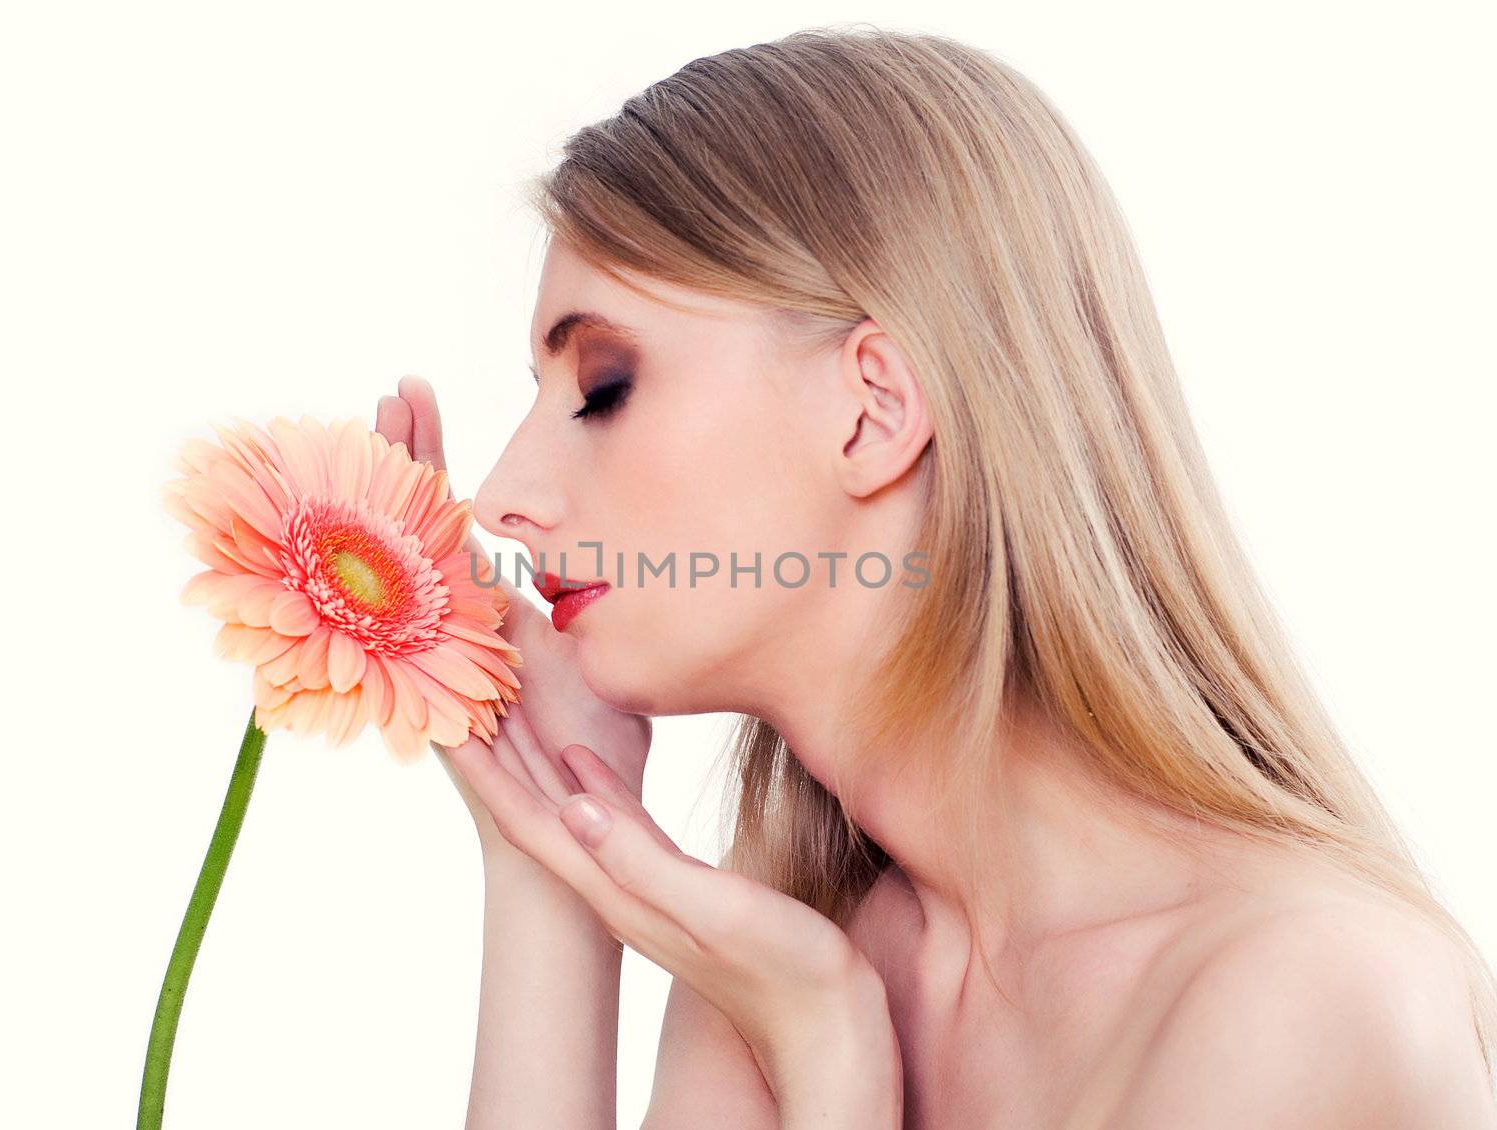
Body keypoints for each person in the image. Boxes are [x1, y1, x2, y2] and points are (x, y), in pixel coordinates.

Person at [373, 25, 1497, 1129]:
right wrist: (547, 848)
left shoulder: (1307, 1000)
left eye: (602, 387)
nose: (501, 494)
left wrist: (838, 1068)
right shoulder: (786, 949)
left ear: (874, 409)